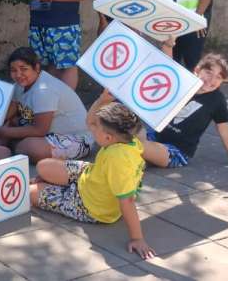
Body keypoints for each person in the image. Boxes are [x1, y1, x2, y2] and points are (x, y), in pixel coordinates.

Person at [29, 91, 155, 260]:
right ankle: (58, 183)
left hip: (89, 206)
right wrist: (102, 100)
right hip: (90, 175)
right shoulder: (129, 138)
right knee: (43, 166)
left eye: (96, 128)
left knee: (29, 192)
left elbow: (128, 201)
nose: (91, 128)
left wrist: (137, 239)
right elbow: (90, 120)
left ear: (108, 137)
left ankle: (59, 188)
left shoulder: (119, 161)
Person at [140, 47, 228, 171]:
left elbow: (224, 129)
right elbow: (169, 67)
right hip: (154, 136)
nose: (212, 80)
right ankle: (138, 158)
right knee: (125, 133)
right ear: (197, 70)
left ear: (222, 81)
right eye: (208, 73)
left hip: (176, 152)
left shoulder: (216, 100)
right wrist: (169, 45)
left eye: (218, 77)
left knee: (136, 144)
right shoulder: (184, 82)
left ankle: (139, 157)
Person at [0, 47, 93, 163]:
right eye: (13, 70)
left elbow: (40, 130)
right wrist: (0, 126)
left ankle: (11, 146)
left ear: (36, 68)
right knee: (10, 124)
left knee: (30, 148)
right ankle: (9, 146)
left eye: (23, 69)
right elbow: (7, 115)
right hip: (49, 135)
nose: (18, 74)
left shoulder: (44, 90)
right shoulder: (20, 85)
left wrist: (5, 132)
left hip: (76, 139)